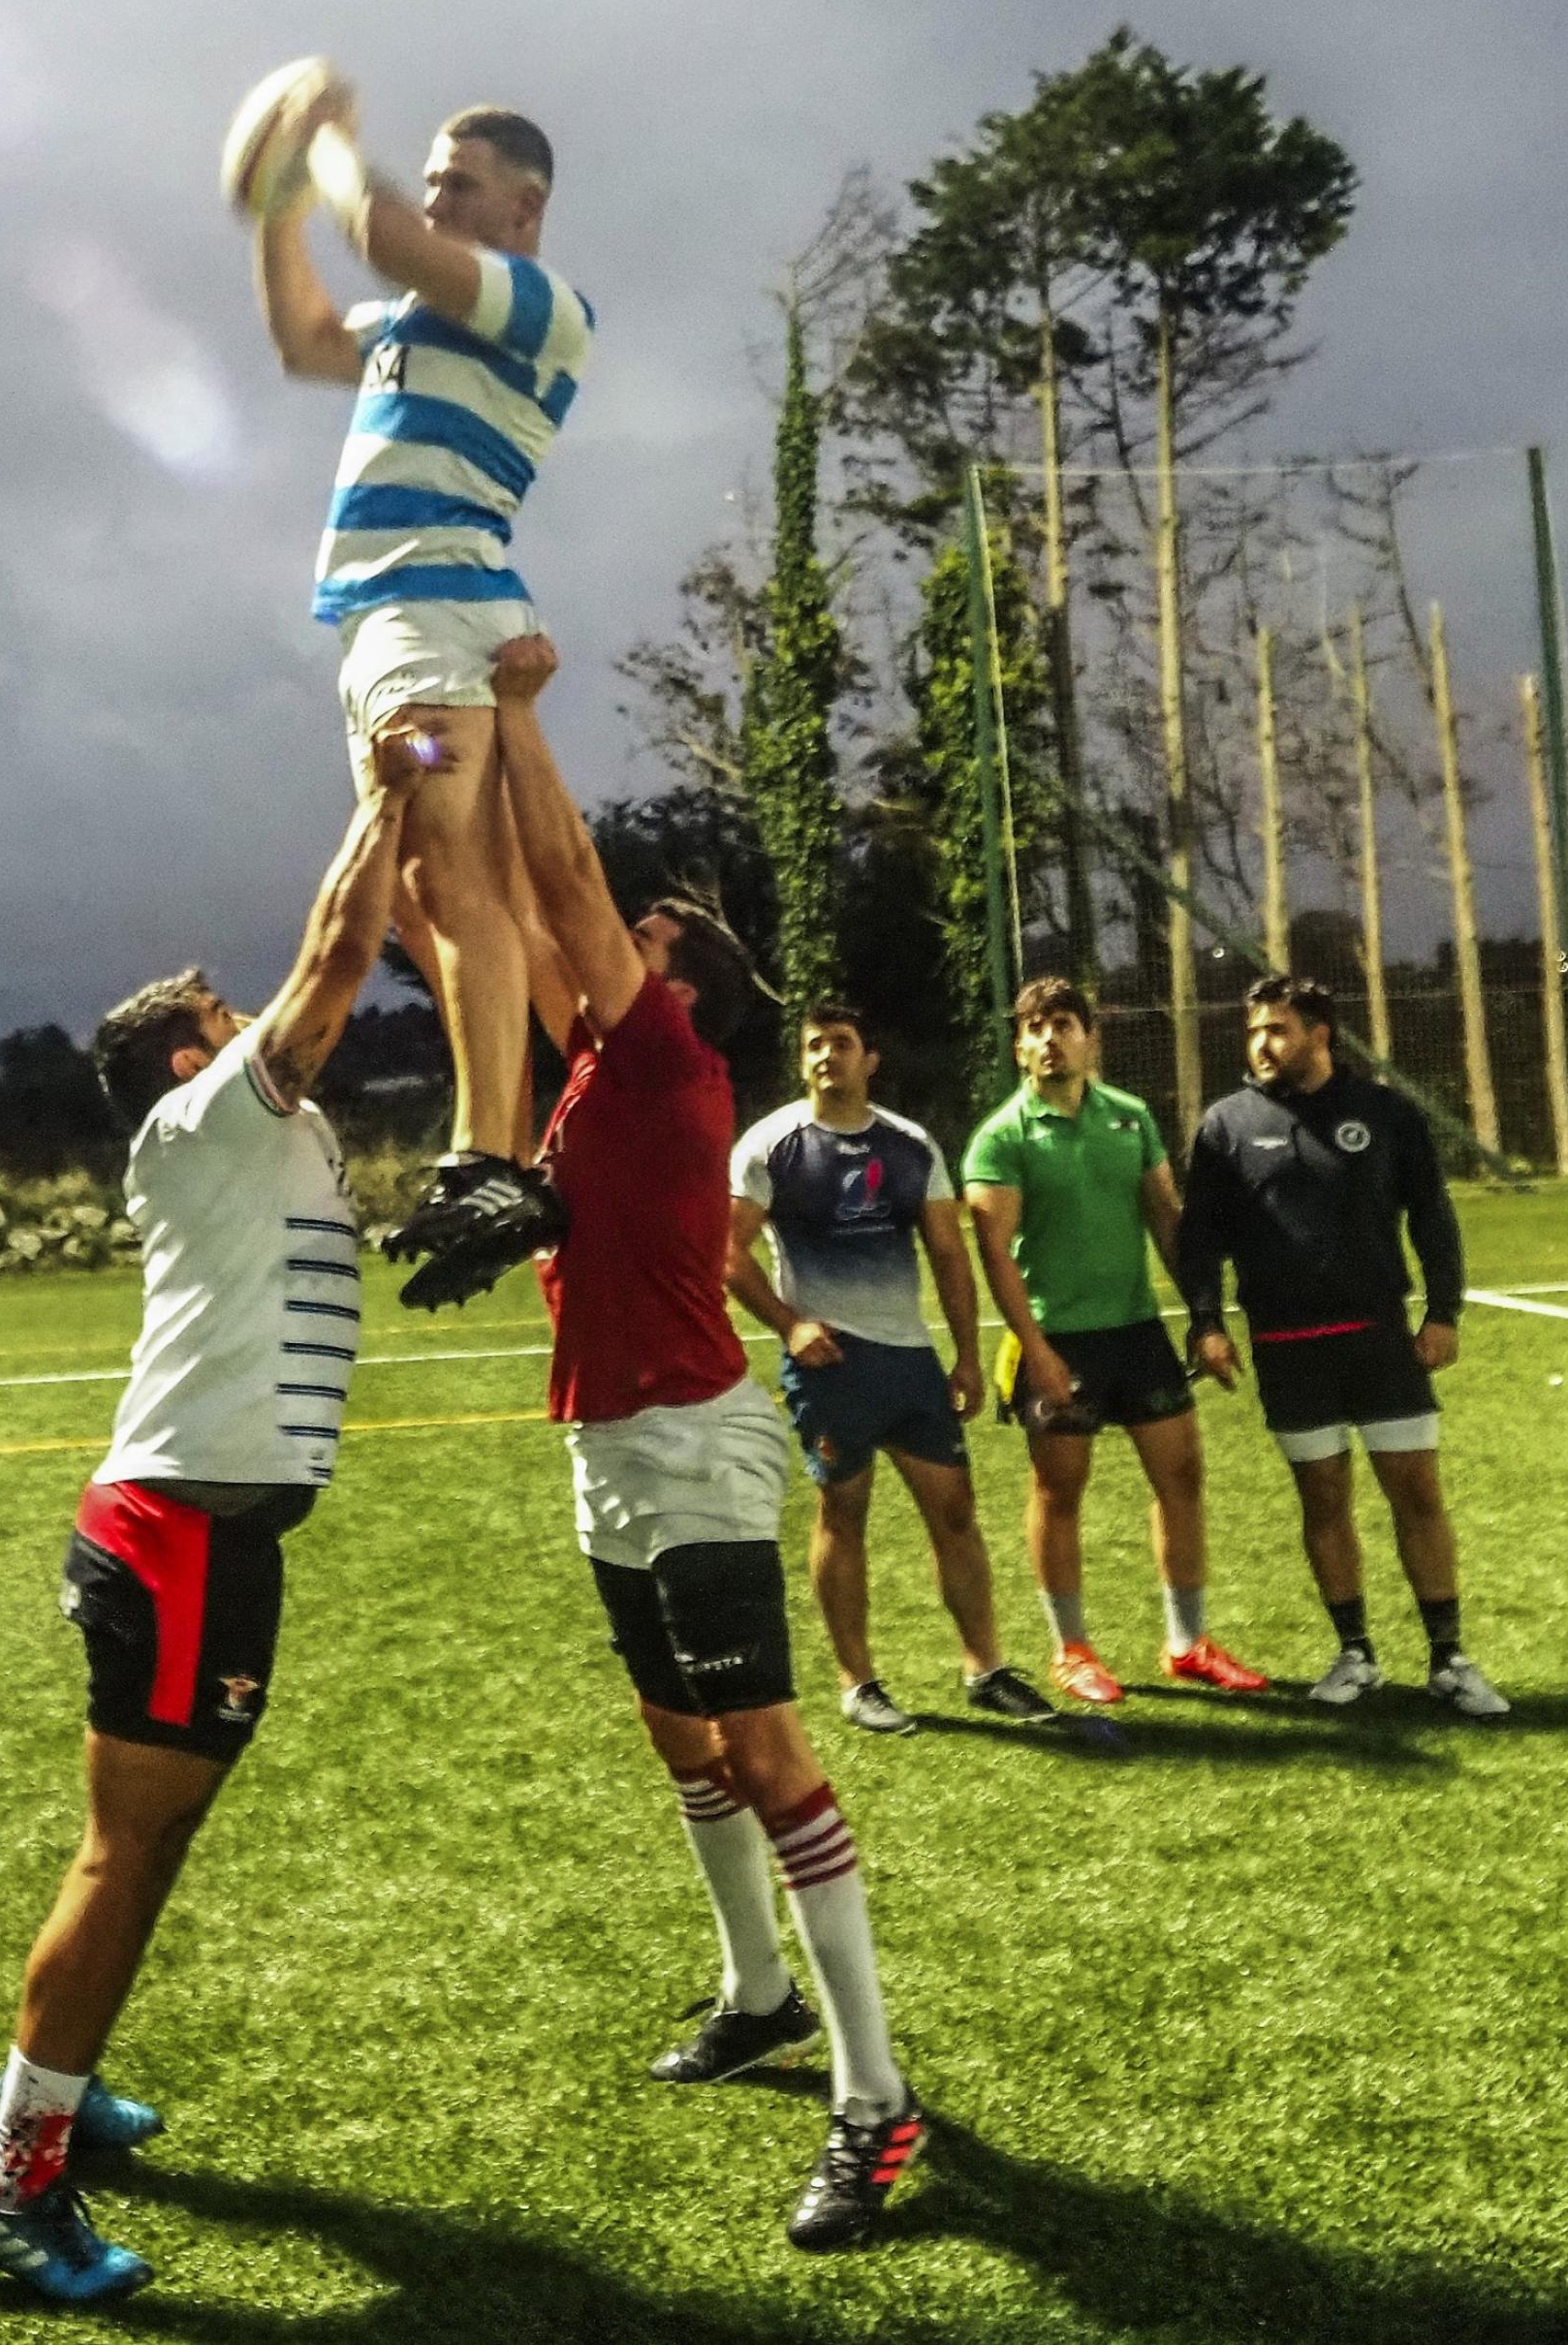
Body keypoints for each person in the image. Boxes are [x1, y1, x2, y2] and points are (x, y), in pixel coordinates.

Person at [0, 732, 440, 2302]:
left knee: (162, 1839)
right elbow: (338, 952)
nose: (251, 1024)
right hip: (168, 1535)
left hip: (224, 1541)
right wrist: (387, 793)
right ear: (186, 1062)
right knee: (120, 1850)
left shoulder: (255, 1132)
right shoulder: (204, 1119)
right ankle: (6, 2181)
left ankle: (63, 2107)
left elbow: (370, 945)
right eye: (220, 1018)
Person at [436, 635, 921, 2252]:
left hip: (699, 1442)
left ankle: (875, 2098)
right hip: (606, 1446)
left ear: (679, 980)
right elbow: (484, 915)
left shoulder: (658, 1051)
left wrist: (510, 714)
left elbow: (558, 876)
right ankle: (758, 1993)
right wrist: (418, 771)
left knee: (768, 1753)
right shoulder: (586, 1077)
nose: (597, 949)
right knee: (682, 1741)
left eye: (633, 943)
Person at [247, 66, 592, 1274]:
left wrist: (327, 143)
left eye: (461, 182)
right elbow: (301, 339)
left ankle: (491, 1163)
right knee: (419, 894)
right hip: (384, 626)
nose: (437, 198)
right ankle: (509, 1154)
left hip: (444, 615)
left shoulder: (538, 305)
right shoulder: (411, 329)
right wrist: (280, 208)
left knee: (452, 868)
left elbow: (386, 235)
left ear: (524, 209)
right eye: (434, 178)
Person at [1178, 972, 1508, 1716]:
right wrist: (1206, 1321)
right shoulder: (1225, 1125)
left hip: (1380, 1341)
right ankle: (1355, 1653)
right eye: (1255, 1029)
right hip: (1287, 1346)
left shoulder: (1384, 1113)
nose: (1262, 1043)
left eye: (1277, 1029)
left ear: (1319, 1034)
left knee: (1417, 1495)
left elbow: (1432, 1215)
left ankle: (1449, 1659)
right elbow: (1200, 1238)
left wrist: (1444, 1311)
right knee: (1323, 1501)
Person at [728, 1006, 1054, 1734]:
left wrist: (967, 1355)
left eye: (840, 1045)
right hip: (829, 1367)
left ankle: (986, 1668)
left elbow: (947, 1252)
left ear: (868, 1058)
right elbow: (728, 1253)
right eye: (813, 1046)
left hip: (909, 1362)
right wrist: (791, 1325)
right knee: (843, 1515)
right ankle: (858, 1683)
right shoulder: (770, 1145)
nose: (825, 1057)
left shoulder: (909, 1145)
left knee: (957, 1514)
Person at [963, 977, 1267, 1707]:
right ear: (1019, 1046)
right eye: (1034, 1028)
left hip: (1137, 1333)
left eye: (1062, 1024)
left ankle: (1187, 1642)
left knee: (1182, 1476)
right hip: (1056, 1340)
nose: (1048, 1039)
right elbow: (995, 1254)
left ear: (1090, 1039)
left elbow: (1168, 1221)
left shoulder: (1129, 1118)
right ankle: (1070, 1650)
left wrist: (1203, 1318)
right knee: (1059, 1491)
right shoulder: (1001, 1137)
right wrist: (1035, 1351)